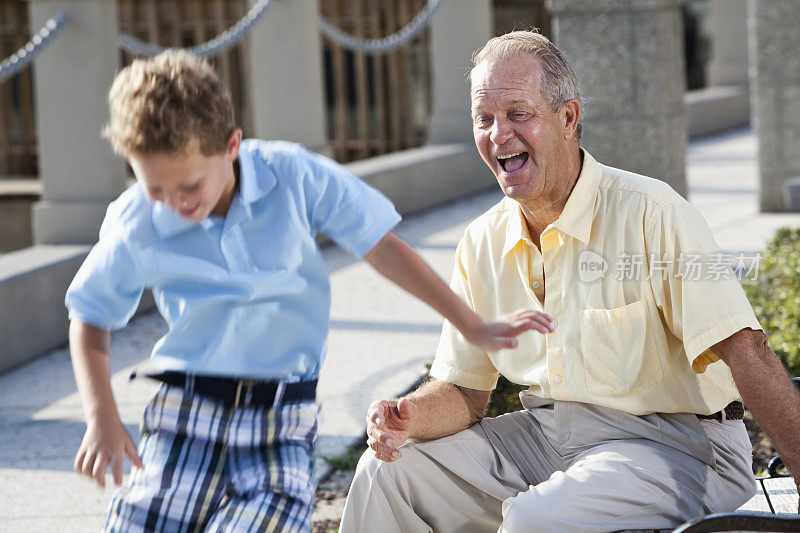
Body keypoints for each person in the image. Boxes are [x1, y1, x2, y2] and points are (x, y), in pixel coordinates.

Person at [65, 50, 553, 533]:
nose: (173, 204)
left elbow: (382, 249)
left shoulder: (293, 176)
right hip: (185, 419)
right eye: (155, 190)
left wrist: (473, 324)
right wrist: (100, 417)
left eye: (188, 186)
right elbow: (89, 317)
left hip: (279, 425)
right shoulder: (137, 220)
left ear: (232, 145)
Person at [340, 30, 800, 532]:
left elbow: (747, 351)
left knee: (536, 520)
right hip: (548, 437)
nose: (498, 134)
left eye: (518, 114)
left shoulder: (652, 213)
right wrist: (408, 415)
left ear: (568, 118)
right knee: (386, 475)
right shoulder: (481, 241)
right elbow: (464, 391)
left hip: (678, 446)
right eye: (484, 119)